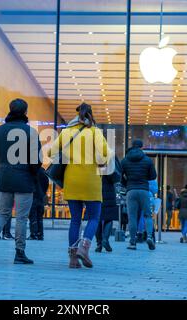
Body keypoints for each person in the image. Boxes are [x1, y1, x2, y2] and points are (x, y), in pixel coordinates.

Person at [0, 99, 42, 265]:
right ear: (25, 112)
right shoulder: (31, 132)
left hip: (5, 178)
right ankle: (19, 252)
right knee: (22, 217)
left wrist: (4, 168)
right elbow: (37, 161)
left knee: (3, 213)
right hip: (24, 179)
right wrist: (32, 173)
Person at [49, 103, 109, 268]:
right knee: (94, 217)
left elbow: (50, 152)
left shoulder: (67, 132)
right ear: (90, 115)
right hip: (91, 181)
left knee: (75, 220)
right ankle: (84, 247)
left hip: (72, 180)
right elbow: (105, 155)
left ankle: (73, 258)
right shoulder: (95, 132)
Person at [121, 139, 157, 251]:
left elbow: (119, 174)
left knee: (132, 217)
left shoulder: (125, 160)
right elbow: (153, 176)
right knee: (147, 215)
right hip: (144, 190)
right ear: (142, 147)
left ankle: (132, 242)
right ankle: (150, 237)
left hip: (131, 190)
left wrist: (126, 183)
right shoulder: (147, 160)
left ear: (132, 146)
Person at [96, 156, 121, 253]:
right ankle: (105, 239)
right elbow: (115, 178)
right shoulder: (109, 162)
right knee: (108, 218)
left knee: (96, 219)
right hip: (109, 194)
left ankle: (99, 244)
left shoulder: (93, 160)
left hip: (96, 192)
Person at [28, 167, 49, 241]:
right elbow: (46, 184)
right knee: (40, 217)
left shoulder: (32, 171)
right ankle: (40, 234)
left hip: (33, 196)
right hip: (41, 197)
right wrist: (43, 193)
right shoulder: (44, 173)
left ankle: (34, 234)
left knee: (33, 216)